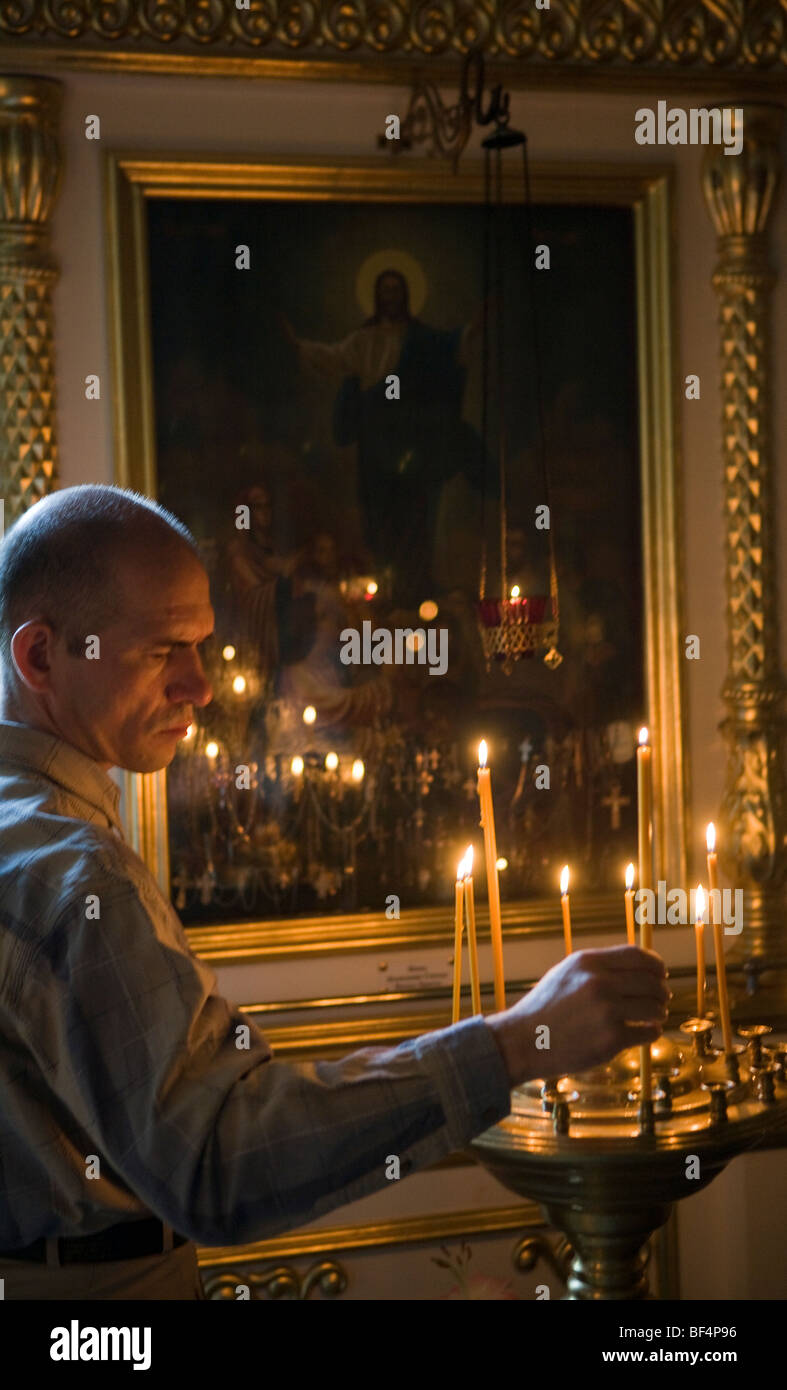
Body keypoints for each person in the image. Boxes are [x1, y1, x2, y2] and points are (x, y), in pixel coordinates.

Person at [0, 485, 669, 1300]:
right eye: (162, 651)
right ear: (40, 657)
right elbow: (216, 1160)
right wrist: (521, 1040)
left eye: (204, 647)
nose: (201, 687)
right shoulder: (74, 874)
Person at [282, 269, 488, 608]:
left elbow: (453, 346)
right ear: (378, 298)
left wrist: (476, 327)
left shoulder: (423, 340)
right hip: (377, 443)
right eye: (385, 291)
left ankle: (416, 588)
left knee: (417, 515)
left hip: (412, 443)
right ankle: (387, 588)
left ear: (405, 295)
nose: (391, 297)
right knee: (380, 516)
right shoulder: (364, 341)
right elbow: (333, 357)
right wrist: (296, 345)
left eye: (396, 290)